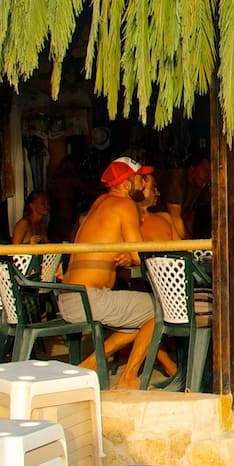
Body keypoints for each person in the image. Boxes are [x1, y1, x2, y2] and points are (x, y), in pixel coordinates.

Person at [61, 157, 162, 390]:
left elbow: (125, 250)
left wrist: (128, 255)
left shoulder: (101, 202)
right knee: (161, 310)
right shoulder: (124, 205)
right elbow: (140, 254)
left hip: (70, 297)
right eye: (141, 179)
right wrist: (132, 255)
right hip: (89, 298)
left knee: (139, 322)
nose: (144, 184)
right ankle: (128, 378)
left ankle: (87, 367)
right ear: (126, 183)